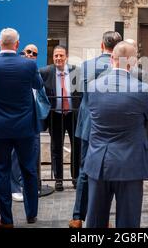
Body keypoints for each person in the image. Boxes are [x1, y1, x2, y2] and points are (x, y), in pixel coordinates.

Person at [84, 41, 148, 228]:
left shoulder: (93, 86)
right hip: (130, 161)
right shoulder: (143, 90)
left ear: (112, 60)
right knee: (129, 221)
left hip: (99, 160)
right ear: (132, 63)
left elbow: (92, 114)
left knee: (95, 221)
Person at [0, 28, 43, 228]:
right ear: (17, 45)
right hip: (25, 128)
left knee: (1, 172)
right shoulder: (28, 65)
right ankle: (31, 214)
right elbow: (38, 85)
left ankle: (6, 220)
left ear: (0, 43)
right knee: (29, 170)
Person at [69, 31, 122, 228]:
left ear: (102, 45)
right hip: (112, 126)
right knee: (108, 172)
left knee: (84, 170)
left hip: (89, 123)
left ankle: (77, 217)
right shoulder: (121, 66)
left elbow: (84, 94)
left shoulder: (87, 65)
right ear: (117, 47)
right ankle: (104, 218)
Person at [11, 44, 51, 202]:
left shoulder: (35, 71)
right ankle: (14, 187)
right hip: (18, 120)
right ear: (22, 52)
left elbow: (40, 89)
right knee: (15, 156)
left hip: (33, 118)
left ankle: (28, 185)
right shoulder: (16, 70)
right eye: (28, 52)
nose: (31, 55)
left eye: (34, 53)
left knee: (32, 154)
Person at [39, 45, 82, 191]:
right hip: (55, 115)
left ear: (66, 56)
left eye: (61, 55)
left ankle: (75, 178)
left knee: (76, 147)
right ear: (53, 57)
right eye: (56, 55)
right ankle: (58, 179)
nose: (58, 58)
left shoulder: (76, 71)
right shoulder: (45, 72)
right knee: (56, 147)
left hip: (73, 114)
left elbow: (81, 92)